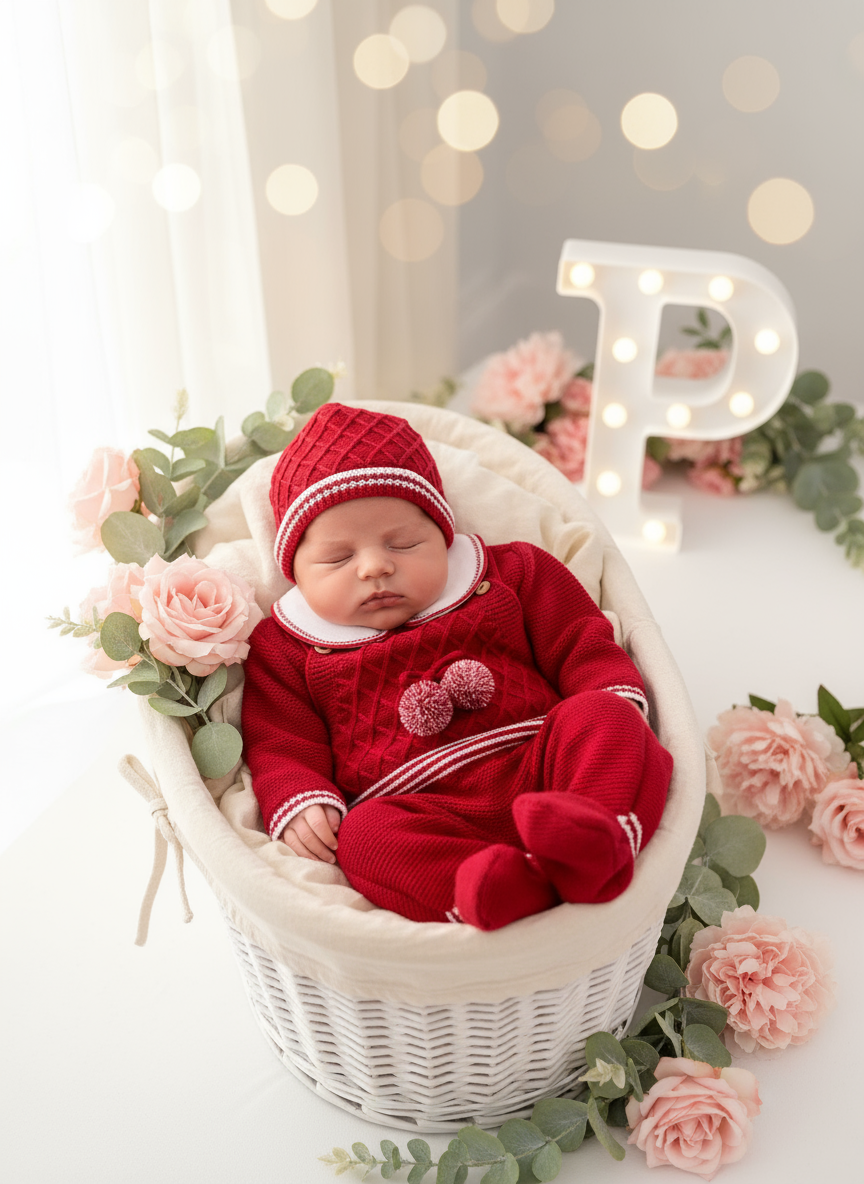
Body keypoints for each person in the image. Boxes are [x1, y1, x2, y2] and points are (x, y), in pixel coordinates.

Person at [241, 403, 673, 931]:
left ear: (443, 534)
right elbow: (279, 740)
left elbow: (579, 640)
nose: (375, 566)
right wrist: (299, 798)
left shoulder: (512, 572)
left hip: (544, 765)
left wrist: (608, 693)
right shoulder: (285, 646)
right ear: (295, 572)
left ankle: (592, 844)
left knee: (605, 715)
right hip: (418, 809)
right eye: (337, 559)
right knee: (364, 838)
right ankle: (490, 887)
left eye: (404, 543)